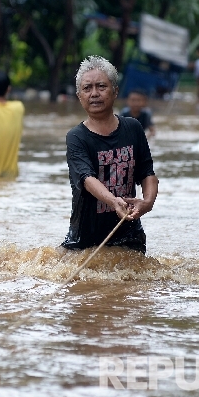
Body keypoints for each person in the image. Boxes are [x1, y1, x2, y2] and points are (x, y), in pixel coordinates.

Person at [62, 56, 158, 254]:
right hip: (85, 237)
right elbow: (87, 179)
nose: (94, 94)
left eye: (101, 86)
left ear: (115, 91)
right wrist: (113, 201)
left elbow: (147, 173)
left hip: (129, 233)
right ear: (80, 96)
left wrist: (147, 202)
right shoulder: (76, 137)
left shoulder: (133, 128)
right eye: (87, 88)